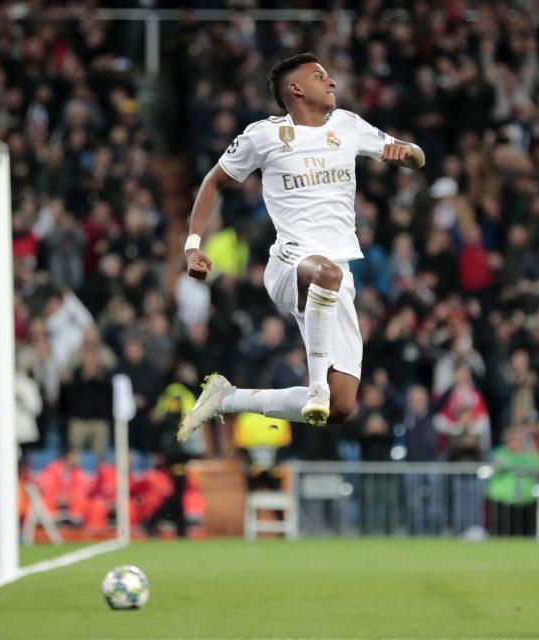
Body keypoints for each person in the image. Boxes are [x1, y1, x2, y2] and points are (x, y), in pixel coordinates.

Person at [176, 52, 425, 441]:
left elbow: (416, 155)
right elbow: (213, 182)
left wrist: (406, 153)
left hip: (336, 277)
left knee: (340, 408)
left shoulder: (348, 125)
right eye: (319, 76)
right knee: (326, 275)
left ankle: (227, 399)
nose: (332, 82)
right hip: (289, 261)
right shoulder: (265, 135)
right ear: (295, 89)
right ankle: (316, 385)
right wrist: (193, 246)